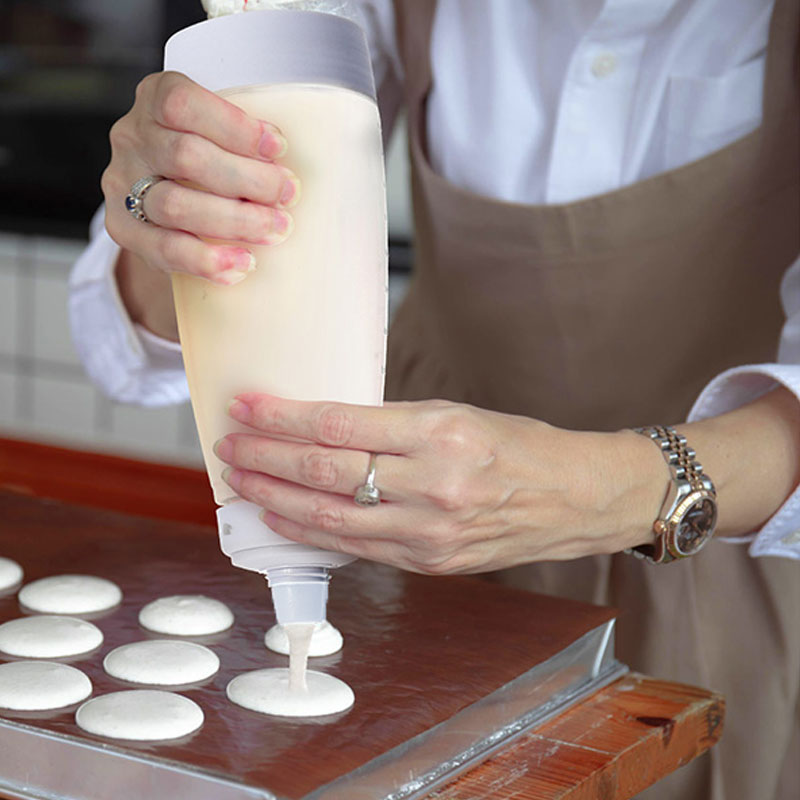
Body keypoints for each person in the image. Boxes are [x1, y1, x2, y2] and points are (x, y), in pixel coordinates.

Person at [70, 1, 800, 797]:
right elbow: (132, 338)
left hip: (722, 550)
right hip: (406, 545)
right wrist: (172, 210)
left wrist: (603, 489)